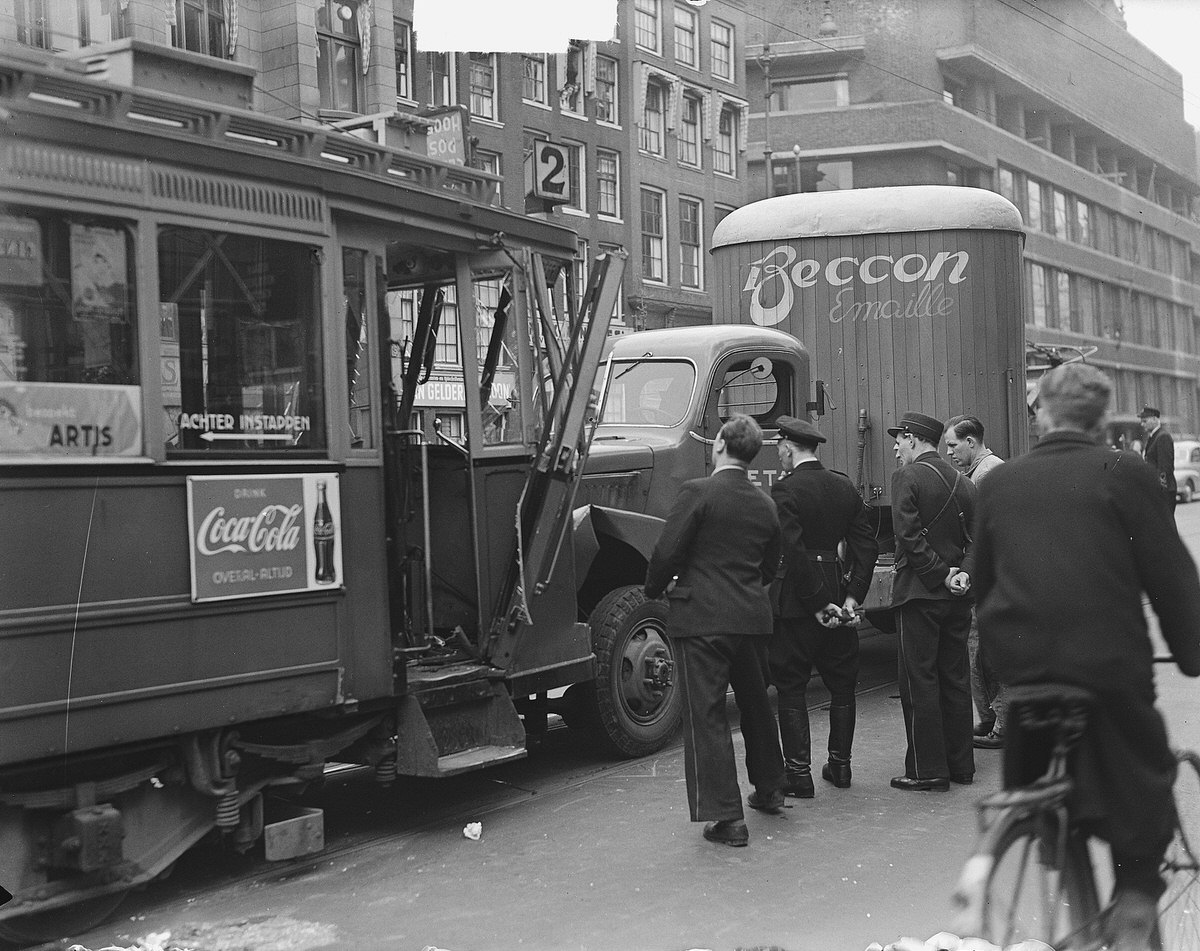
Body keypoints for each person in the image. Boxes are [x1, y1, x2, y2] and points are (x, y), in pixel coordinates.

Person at [960, 364, 1200, 949]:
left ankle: (1058, 862)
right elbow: (1171, 579)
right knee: (1141, 795)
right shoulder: (1127, 473)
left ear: (1041, 412)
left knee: (1041, 792)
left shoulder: (1000, 483)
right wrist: (1191, 655)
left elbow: (982, 581)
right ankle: (1136, 903)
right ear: (1101, 419)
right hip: (1108, 673)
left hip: (1027, 677)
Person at [644, 413, 787, 847]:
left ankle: (727, 817)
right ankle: (770, 789)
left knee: (706, 714)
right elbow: (770, 565)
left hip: (702, 620)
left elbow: (668, 551)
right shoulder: (766, 504)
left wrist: (656, 587)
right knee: (757, 706)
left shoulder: (697, 493)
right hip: (751, 619)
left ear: (721, 444)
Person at [768, 416, 878, 797]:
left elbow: (793, 554)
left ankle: (799, 775)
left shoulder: (783, 492)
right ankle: (841, 767)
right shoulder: (843, 487)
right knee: (843, 683)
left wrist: (818, 604)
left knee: (791, 684)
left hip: (797, 604)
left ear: (787, 445)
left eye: (779, 447)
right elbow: (867, 547)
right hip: (838, 589)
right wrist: (850, 599)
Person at [887, 411, 977, 792]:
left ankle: (928, 770)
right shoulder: (965, 483)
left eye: (898, 440)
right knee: (955, 678)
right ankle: (961, 766)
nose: (895, 449)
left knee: (918, 680)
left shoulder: (907, 477)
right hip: (958, 596)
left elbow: (908, 536)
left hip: (919, 594)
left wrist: (939, 575)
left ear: (913, 438)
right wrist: (962, 574)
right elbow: (977, 541)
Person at [943, 415, 1007, 751]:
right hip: (989, 579)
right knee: (980, 651)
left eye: (953, 445)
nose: (949, 452)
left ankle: (1002, 723)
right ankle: (991, 718)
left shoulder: (987, 473)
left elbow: (986, 535)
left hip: (992, 581)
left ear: (971, 442)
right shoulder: (978, 472)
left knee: (990, 652)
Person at [1140, 405, 1177, 512]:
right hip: (1157, 491)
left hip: (1162, 492)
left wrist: (1161, 491)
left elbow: (1164, 468)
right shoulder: (1154, 437)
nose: (1142, 424)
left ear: (1155, 419)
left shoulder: (1162, 437)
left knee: (1164, 527)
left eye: (1145, 421)